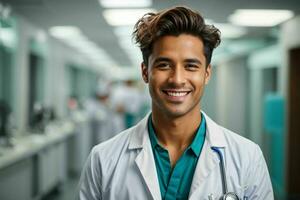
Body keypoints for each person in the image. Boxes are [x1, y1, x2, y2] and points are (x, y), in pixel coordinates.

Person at [77, 6, 274, 200]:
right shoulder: (102, 160)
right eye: (164, 65)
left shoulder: (248, 158)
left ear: (206, 73)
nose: (177, 79)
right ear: (145, 72)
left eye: (190, 66)